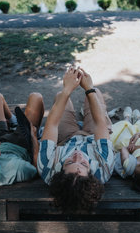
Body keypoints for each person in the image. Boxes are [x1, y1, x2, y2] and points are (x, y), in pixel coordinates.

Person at [37, 67, 115, 212]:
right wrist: (89, 89)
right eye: (84, 164)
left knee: (60, 95)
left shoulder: (47, 167)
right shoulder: (104, 168)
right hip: (93, 137)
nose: (77, 155)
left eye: (70, 162)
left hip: (65, 139)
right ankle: (86, 110)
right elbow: (100, 124)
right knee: (96, 94)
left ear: (60, 172)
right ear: (91, 173)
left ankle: (77, 110)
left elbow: (52, 124)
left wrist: (67, 89)